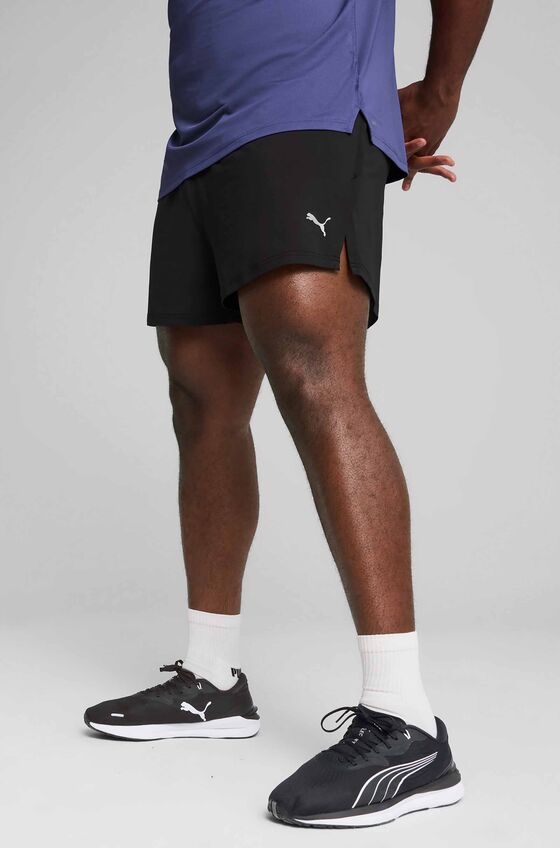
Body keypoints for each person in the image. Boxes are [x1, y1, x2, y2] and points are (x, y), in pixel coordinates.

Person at [84, 0, 493, 828]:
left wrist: (439, 90)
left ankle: (406, 724)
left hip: (308, 108)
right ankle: (212, 681)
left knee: (316, 374)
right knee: (201, 395)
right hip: (202, 134)